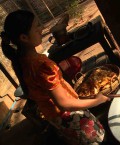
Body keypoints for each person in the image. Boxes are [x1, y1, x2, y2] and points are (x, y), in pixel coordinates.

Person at [0, 10, 110, 145]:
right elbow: (64, 104)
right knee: (98, 140)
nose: (41, 29)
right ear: (24, 38)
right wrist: (97, 101)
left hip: (55, 118)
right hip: (69, 117)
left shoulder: (21, 61)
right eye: (36, 27)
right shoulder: (41, 65)